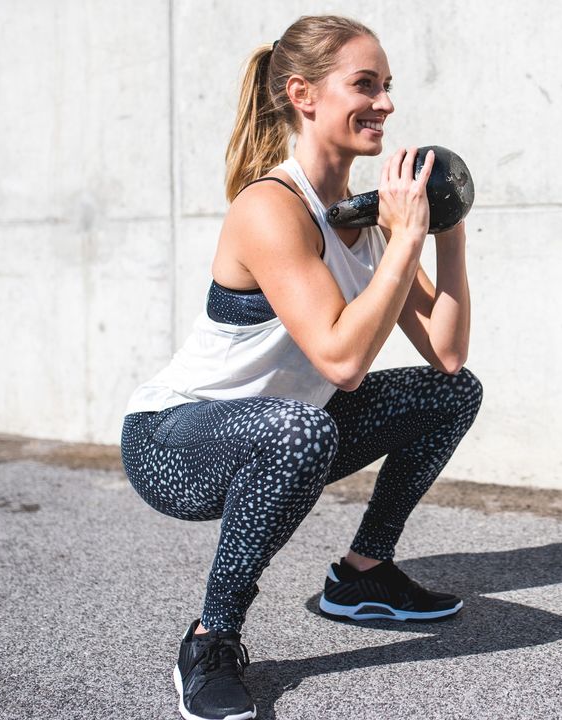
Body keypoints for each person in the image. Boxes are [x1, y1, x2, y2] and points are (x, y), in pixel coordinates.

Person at [118, 15, 482, 720]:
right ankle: (211, 638)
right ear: (304, 94)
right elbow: (342, 361)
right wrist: (405, 241)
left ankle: (362, 576)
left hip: (287, 426)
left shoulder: (371, 221)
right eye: (365, 85)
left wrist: (447, 230)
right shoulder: (269, 208)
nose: (386, 103)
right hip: (172, 442)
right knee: (298, 430)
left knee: (452, 394)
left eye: (388, 87)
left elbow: (447, 352)